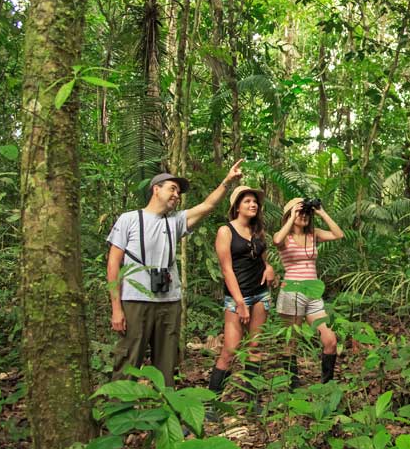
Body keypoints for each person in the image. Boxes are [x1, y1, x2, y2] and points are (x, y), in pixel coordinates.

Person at [106, 159, 244, 387]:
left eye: (179, 192)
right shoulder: (129, 219)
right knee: (128, 359)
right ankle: (120, 414)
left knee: (167, 363)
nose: (176, 195)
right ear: (156, 189)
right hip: (135, 301)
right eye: (172, 189)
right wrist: (116, 308)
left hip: (169, 302)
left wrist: (227, 182)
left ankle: (167, 413)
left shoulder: (176, 221)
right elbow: (113, 264)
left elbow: (207, 206)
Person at [208, 186, 276, 401]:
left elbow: (261, 257)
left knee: (255, 346)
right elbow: (226, 269)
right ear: (237, 206)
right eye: (247, 201)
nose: (253, 204)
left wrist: (269, 267)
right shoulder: (225, 231)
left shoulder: (258, 231)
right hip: (238, 297)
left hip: (260, 294)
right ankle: (213, 402)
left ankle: (252, 400)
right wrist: (240, 302)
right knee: (231, 349)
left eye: (255, 202)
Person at [273, 198, 344, 387]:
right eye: (300, 212)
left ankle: (326, 385)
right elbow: (276, 240)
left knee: (330, 340)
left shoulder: (314, 234)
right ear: (290, 215)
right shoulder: (284, 237)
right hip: (292, 292)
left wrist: (321, 212)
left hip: (313, 293)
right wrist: (292, 215)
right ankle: (292, 385)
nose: (304, 216)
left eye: (307, 213)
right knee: (292, 343)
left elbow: (339, 234)